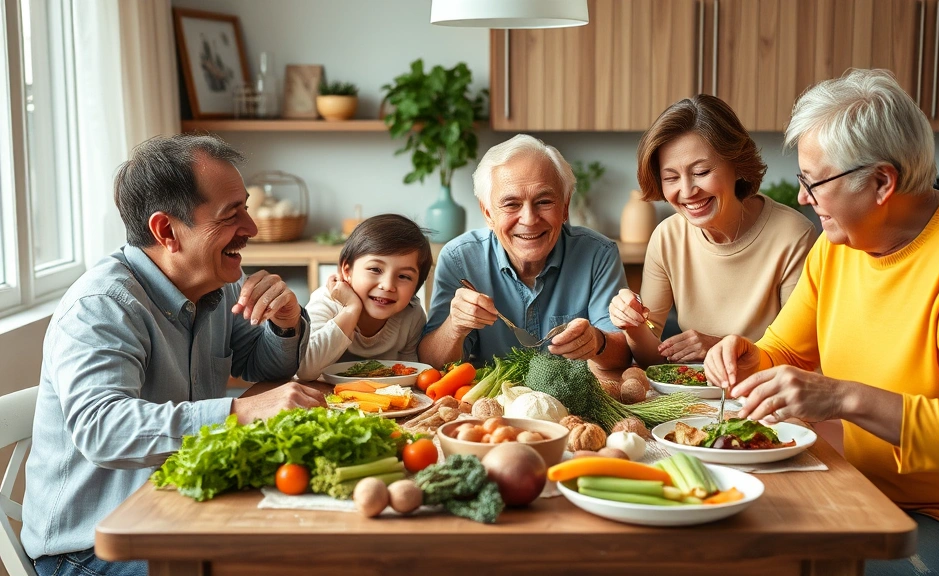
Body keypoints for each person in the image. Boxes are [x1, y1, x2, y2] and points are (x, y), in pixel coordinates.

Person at [704, 69, 939, 576]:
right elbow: (784, 352)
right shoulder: (840, 246)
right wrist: (748, 356)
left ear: (881, 182)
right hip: (865, 490)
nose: (803, 197)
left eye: (814, 181)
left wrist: (842, 397)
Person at [22, 134, 325, 576]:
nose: (252, 228)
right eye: (231, 214)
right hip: (91, 549)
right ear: (167, 231)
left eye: (245, 207)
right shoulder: (102, 306)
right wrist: (240, 413)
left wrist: (285, 321)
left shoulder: (216, 286)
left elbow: (264, 366)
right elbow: (102, 430)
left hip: (177, 507)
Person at [608, 95, 816, 366]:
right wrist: (633, 325)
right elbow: (652, 358)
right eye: (671, 177)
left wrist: (718, 347)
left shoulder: (793, 235)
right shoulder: (667, 238)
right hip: (699, 401)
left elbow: (799, 356)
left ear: (738, 165)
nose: (687, 191)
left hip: (766, 398)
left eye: (702, 171)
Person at [420, 134, 631, 370]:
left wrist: (597, 342)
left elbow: (624, 357)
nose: (529, 220)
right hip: (489, 402)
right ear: (488, 213)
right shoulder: (459, 259)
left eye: (543, 201)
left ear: (565, 207)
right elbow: (431, 366)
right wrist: (454, 327)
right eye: (511, 204)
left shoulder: (599, 254)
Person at [296, 214, 431, 380]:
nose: (388, 285)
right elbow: (304, 369)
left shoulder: (412, 314)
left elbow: (412, 375)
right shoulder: (326, 301)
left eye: (403, 276)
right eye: (375, 269)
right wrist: (351, 309)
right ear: (347, 271)